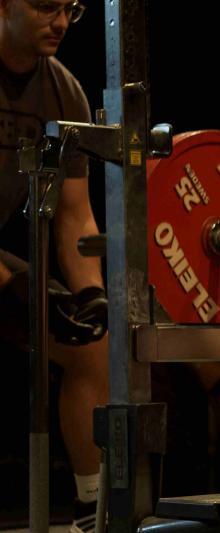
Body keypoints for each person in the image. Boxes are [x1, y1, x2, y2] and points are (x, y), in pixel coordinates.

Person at [0, 1, 108, 530]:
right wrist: (15, 286)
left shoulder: (64, 93)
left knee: (92, 347)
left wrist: (92, 295)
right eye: (46, 6)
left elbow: (73, 214)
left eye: (69, 9)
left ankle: (93, 510)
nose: (61, 23)